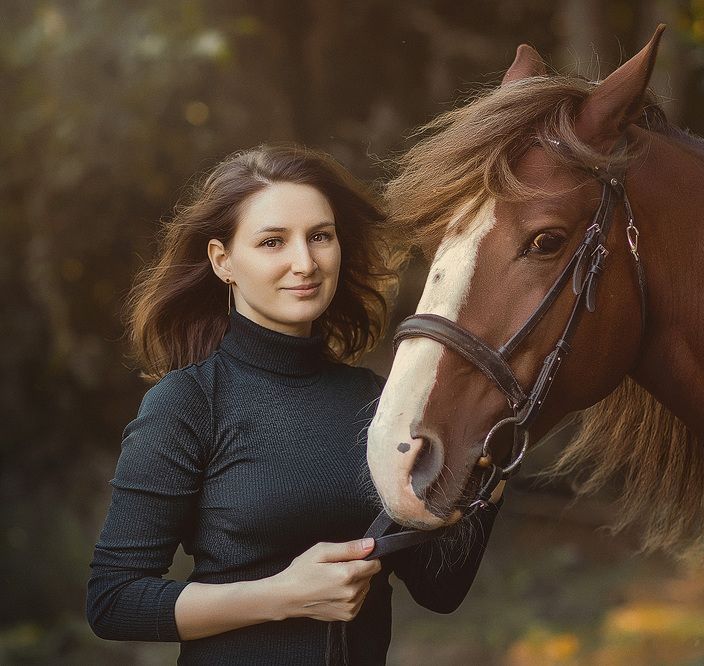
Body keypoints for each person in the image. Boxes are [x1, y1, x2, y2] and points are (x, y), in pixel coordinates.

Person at [86, 144, 502, 665]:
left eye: (320, 237)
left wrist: (490, 472)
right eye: (272, 242)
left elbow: (439, 590)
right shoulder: (188, 404)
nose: (304, 263)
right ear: (223, 261)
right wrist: (284, 595)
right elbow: (113, 601)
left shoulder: (376, 403)